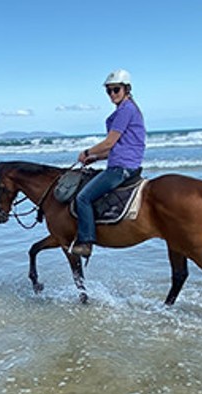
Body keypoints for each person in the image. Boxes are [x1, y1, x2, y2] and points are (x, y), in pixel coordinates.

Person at [71, 69, 146, 257]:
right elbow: (118, 148)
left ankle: (86, 242)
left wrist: (86, 152)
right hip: (124, 163)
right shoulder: (126, 109)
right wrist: (95, 158)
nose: (112, 94)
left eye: (116, 90)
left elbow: (109, 142)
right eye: (109, 91)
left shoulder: (126, 110)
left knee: (83, 198)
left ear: (126, 89)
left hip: (121, 169)